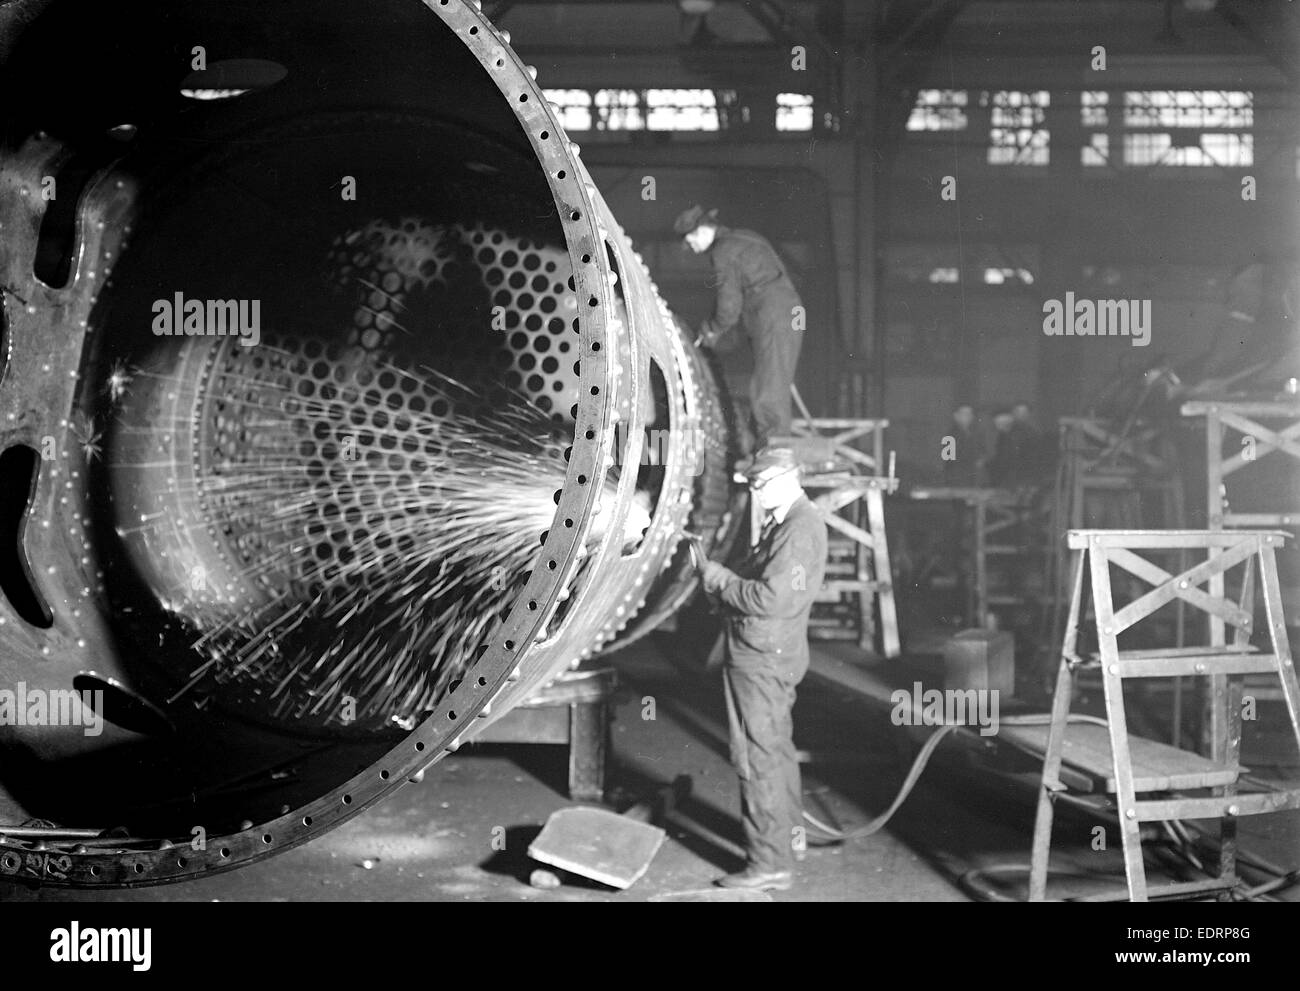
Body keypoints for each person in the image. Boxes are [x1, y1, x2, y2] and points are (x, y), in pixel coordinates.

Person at [699, 446, 828, 891]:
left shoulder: (798, 530)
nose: (755, 493)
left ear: (786, 478)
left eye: (759, 485)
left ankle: (768, 862)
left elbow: (772, 599)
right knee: (776, 749)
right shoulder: (790, 523)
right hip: (772, 654)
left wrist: (719, 579)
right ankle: (789, 841)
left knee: (756, 756)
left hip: (761, 657)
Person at [674, 204, 804, 449]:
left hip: (773, 314)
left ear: (701, 231)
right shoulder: (744, 237)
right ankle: (770, 446)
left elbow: (729, 308)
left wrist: (710, 330)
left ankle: (774, 454)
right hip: (784, 311)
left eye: (690, 242)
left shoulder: (723, 251)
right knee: (773, 380)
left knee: (768, 386)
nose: (692, 249)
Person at [942, 403, 985, 487]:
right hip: (957, 481)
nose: (967, 417)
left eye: (970, 414)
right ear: (956, 416)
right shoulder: (950, 436)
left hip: (973, 479)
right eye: (964, 414)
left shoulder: (975, 434)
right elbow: (949, 462)